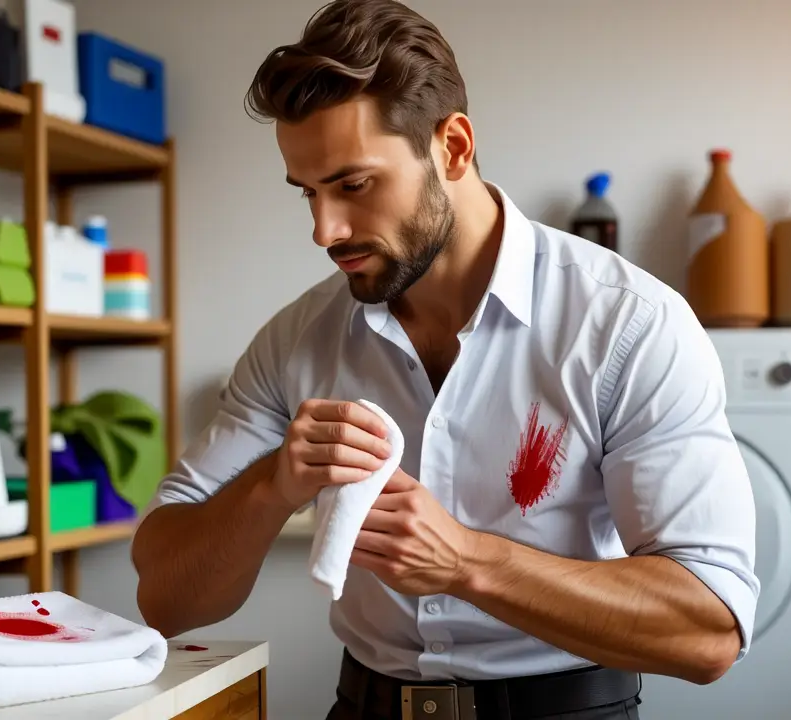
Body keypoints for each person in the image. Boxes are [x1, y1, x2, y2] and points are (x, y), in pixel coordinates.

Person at [131, 1, 759, 718]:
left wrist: (466, 561)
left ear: (453, 147)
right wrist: (271, 485)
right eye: (308, 193)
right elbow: (165, 598)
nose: (323, 230)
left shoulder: (627, 325)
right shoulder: (294, 342)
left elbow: (710, 632)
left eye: (353, 185)